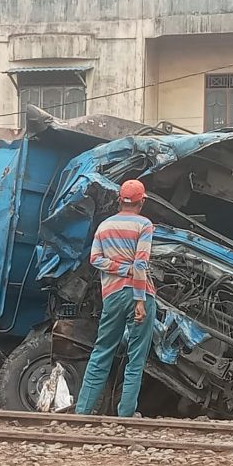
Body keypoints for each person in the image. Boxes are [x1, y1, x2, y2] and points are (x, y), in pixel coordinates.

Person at [74, 179, 157, 417]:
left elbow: (95, 260)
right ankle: (126, 415)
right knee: (136, 357)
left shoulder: (104, 226)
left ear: (120, 200)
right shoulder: (144, 225)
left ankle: (83, 412)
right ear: (142, 202)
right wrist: (139, 299)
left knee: (102, 351)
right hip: (139, 294)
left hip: (112, 295)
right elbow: (141, 263)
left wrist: (120, 269)